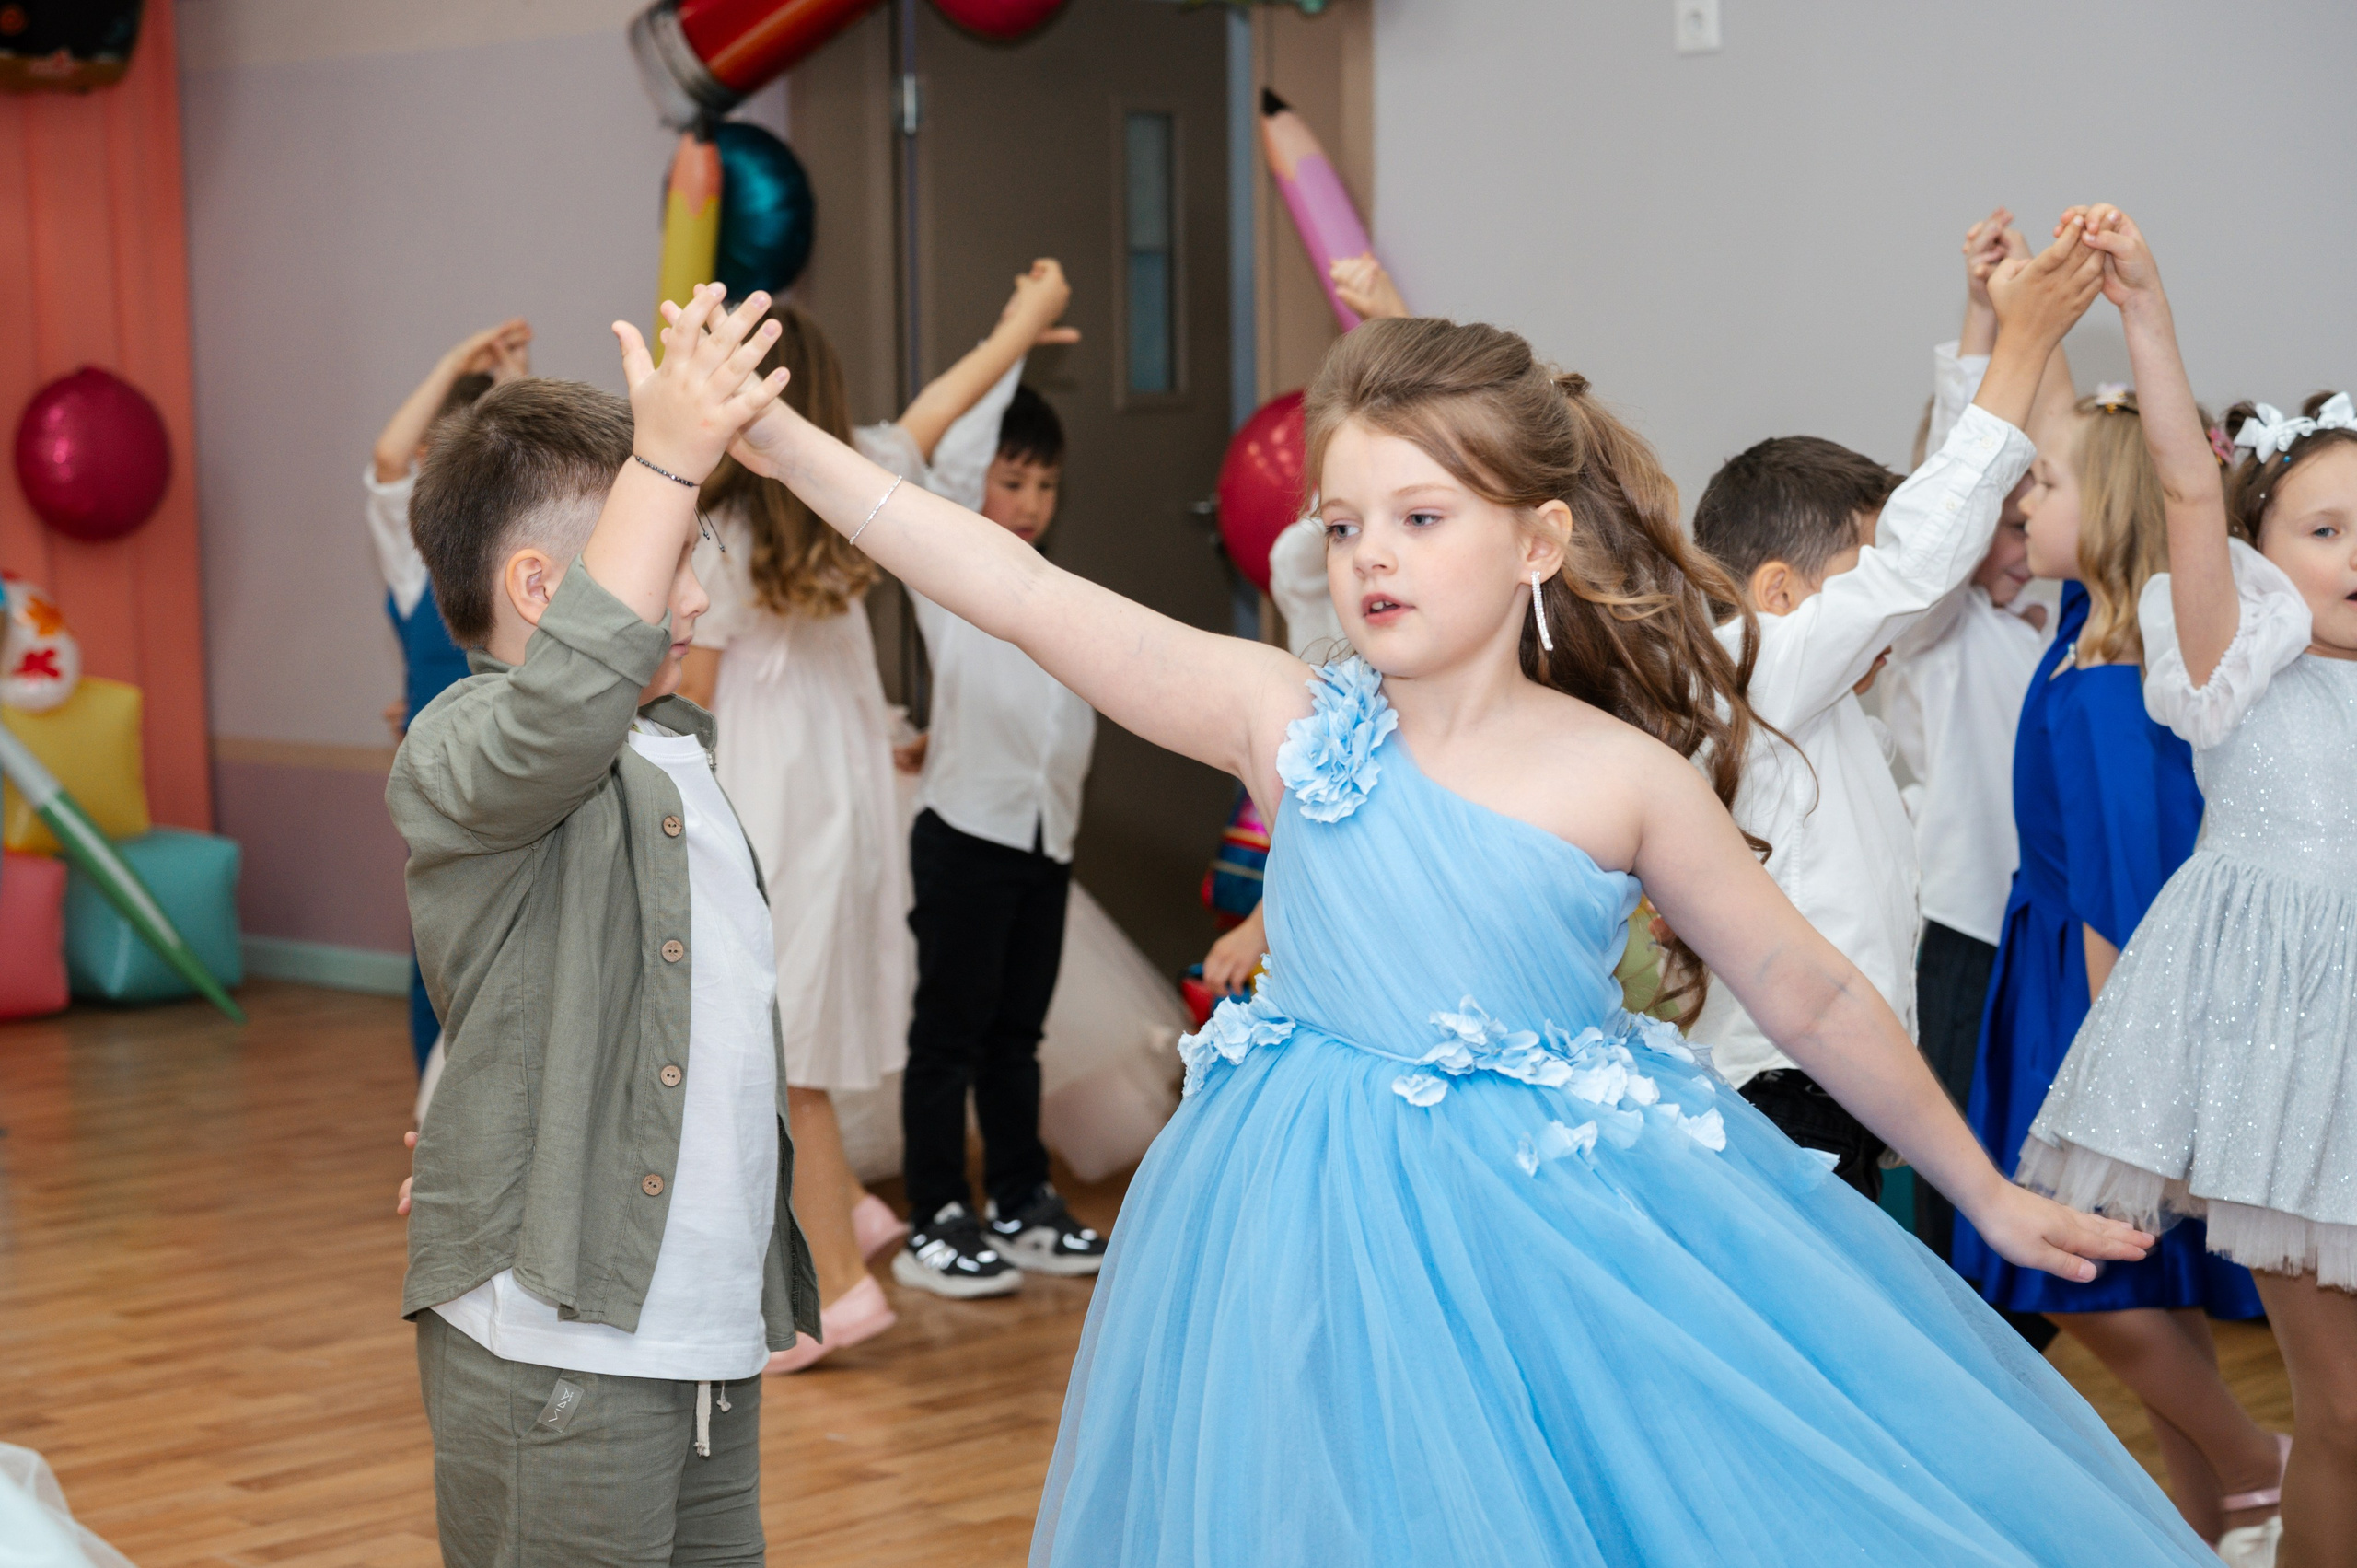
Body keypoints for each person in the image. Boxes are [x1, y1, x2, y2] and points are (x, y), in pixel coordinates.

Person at [714, 274, 2213, 1562]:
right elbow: (1011, 587)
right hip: (1298, 1201)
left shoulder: (1625, 776)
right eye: (1347, 520)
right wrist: (776, 437)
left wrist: (1987, 1186)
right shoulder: (1284, 715)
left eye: (1420, 516)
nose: (1371, 552)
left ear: (1539, 542)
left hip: (1559, 1216)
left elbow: (1807, 990)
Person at [390, 286, 815, 1564]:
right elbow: (556, 713)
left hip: (697, 1337)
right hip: (554, 1346)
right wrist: (668, 457)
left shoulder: (678, 751)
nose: (697, 591)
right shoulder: (463, 744)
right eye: (676, 546)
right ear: (541, 586)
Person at [2019, 206, 2357, 1568]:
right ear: (2264, 548)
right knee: (2340, 1407)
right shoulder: (2240, 663)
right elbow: (2185, 486)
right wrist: (2145, 315)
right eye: (2331, 527)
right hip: (2287, 1067)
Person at [673, 261, 1078, 1365]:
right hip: (844, 788)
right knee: (795, 1014)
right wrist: (1019, 323)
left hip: (770, 789)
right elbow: (937, 407)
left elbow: (694, 705)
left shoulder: (722, 533)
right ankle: (845, 1204)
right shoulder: (865, 481)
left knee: (780, 1050)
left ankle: (835, 1294)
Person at [1682, 221, 2100, 1200]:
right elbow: (1923, 556)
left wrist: (1980, 330)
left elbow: (1924, 553)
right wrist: (2023, 343)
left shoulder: (1796, 691)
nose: (1890, 615)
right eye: (1857, 584)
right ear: (1779, 592)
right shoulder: (1760, 665)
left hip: (1820, 1082)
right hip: (1782, 1088)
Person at [1946, 377, 2273, 1552]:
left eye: (2044, 479)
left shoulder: (2101, 681)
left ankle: (2254, 1458)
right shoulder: (2087, 636)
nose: (2021, 499)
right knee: (2134, 1284)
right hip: (2061, 984)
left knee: (2069, 1269)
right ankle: (2213, 1518)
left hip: (2086, 1008)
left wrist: (2109, 1075)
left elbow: (2120, 896)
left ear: (2115, 506)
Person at [890, 355, 1109, 1300]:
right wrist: (1015, 336)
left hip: (1041, 841)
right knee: (949, 1031)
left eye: (1047, 485)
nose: (1029, 502)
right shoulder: (956, 578)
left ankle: (1020, 1198)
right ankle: (937, 1212)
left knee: (1016, 1033)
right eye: (1010, 480)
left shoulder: (1051, 593)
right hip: (966, 836)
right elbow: (943, 456)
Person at [1884, 210, 2065, 1262]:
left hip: (2040, 937)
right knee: (1960, 1179)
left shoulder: (2042, 631)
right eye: (2001, 515)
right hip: (1964, 938)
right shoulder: (1937, 634)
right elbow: (1953, 486)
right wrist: (1978, 316)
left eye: (2030, 506)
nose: (2019, 535)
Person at [366, 318, 530, 1084]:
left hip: (527, 766)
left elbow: (549, 467)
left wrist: (515, 384)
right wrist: (453, 362)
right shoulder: (418, 557)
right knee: (441, 941)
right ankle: (441, 1091)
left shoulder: (527, 550)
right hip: (450, 781)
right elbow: (388, 459)